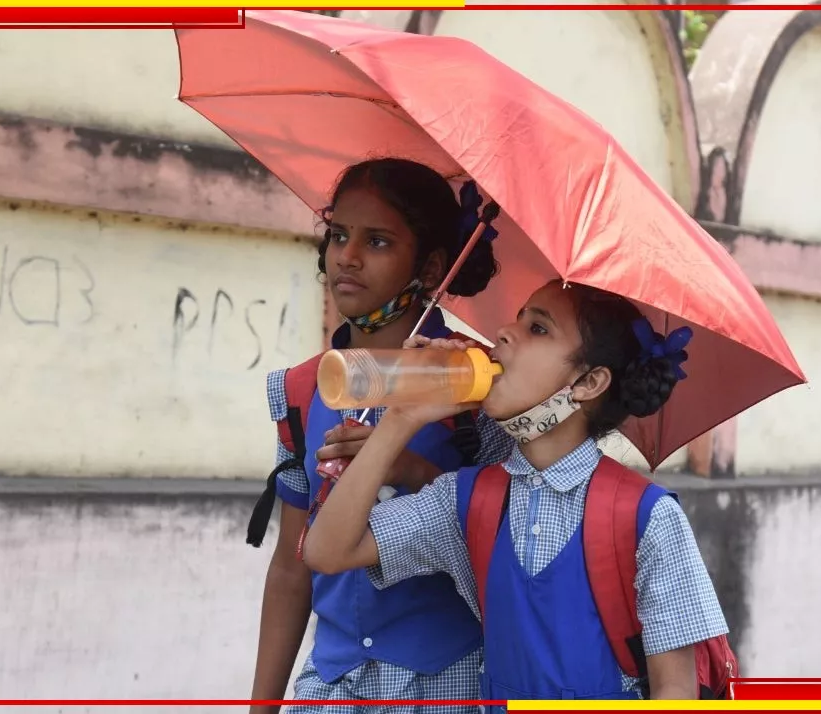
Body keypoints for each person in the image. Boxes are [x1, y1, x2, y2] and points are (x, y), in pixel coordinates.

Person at [302, 280, 731, 705]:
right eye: (518, 318)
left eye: (538, 329)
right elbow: (328, 551)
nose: (505, 332)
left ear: (588, 382)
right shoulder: (466, 500)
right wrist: (401, 418)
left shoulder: (646, 516)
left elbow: (675, 690)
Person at [248, 158, 513, 714]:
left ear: (431, 265)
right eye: (339, 235)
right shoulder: (300, 390)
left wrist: (411, 470)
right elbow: (293, 565)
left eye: (379, 241)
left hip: (449, 684)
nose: (347, 255)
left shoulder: (480, 384)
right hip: (333, 685)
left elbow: (507, 535)